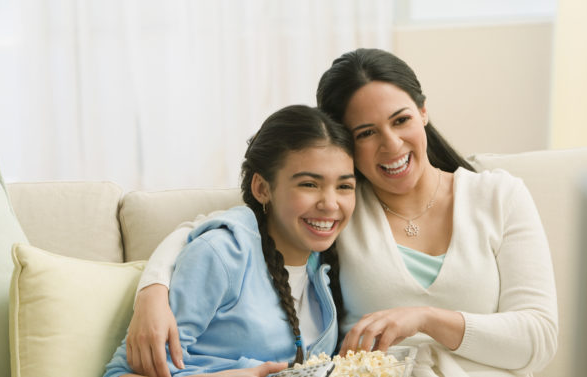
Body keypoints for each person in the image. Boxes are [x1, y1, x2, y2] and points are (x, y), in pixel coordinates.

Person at [127, 48, 558, 377]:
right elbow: (213, 227)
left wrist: (424, 318)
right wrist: (153, 289)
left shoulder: (499, 195)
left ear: (424, 112)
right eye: (367, 133)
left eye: (401, 119)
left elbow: (538, 337)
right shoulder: (340, 208)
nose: (391, 145)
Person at [104, 104, 356, 377]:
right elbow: (120, 374)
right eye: (309, 184)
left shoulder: (324, 267)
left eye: (344, 186)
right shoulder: (223, 254)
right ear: (262, 188)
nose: (331, 204)